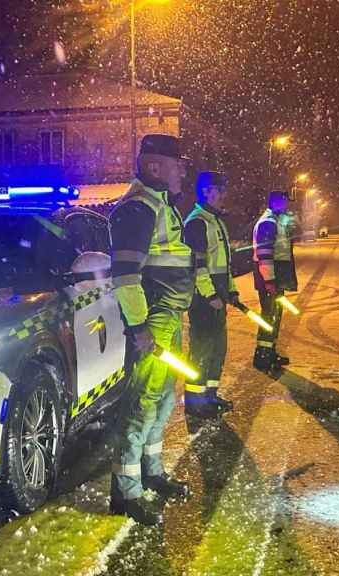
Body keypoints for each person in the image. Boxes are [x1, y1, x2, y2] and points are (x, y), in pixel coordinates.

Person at [108, 134, 194, 526]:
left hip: (168, 315)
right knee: (142, 400)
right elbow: (126, 276)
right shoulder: (139, 209)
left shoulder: (160, 205)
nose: (183, 171)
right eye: (178, 164)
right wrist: (141, 327)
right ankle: (126, 492)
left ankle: (152, 471)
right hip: (155, 317)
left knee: (160, 400)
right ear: (156, 166)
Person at [182, 171, 238, 419]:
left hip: (217, 297)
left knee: (217, 349)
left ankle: (210, 397)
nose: (225, 196)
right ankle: (195, 402)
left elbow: (224, 264)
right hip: (203, 300)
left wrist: (231, 290)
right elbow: (198, 266)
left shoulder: (215, 221)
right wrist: (209, 295)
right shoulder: (197, 222)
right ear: (206, 191)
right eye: (220, 190)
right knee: (201, 351)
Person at [252, 190, 299, 373]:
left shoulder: (276, 221)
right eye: (285, 202)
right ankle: (263, 357)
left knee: (275, 315)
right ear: (277, 202)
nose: (287, 205)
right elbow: (264, 254)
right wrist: (269, 280)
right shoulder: (268, 223)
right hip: (270, 278)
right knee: (269, 316)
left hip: (275, 278)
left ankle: (270, 352)